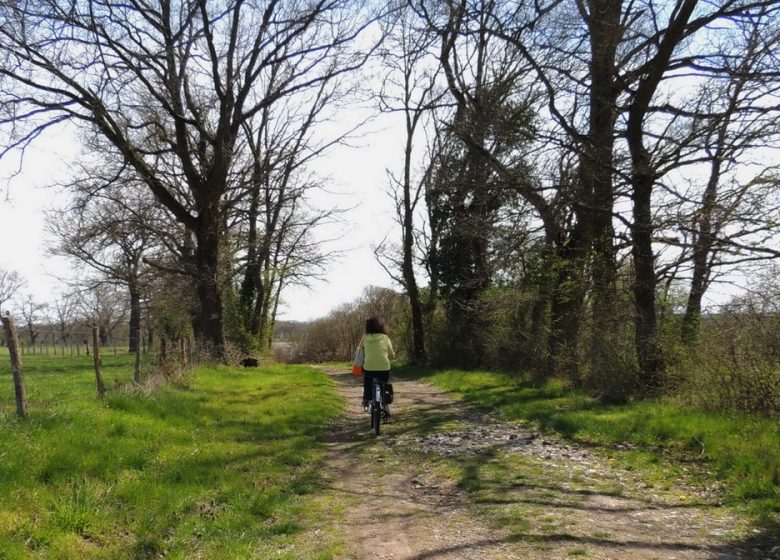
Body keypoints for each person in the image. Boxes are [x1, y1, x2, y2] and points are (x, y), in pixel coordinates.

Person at [358, 315, 395, 409]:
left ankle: (366, 399)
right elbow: (391, 352)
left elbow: (359, 350)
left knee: (367, 383)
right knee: (384, 383)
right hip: (384, 367)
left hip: (369, 367)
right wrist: (392, 356)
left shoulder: (365, 337)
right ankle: (385, 403)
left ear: (368, 327)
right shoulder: (385, 337)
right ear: (381, 326)